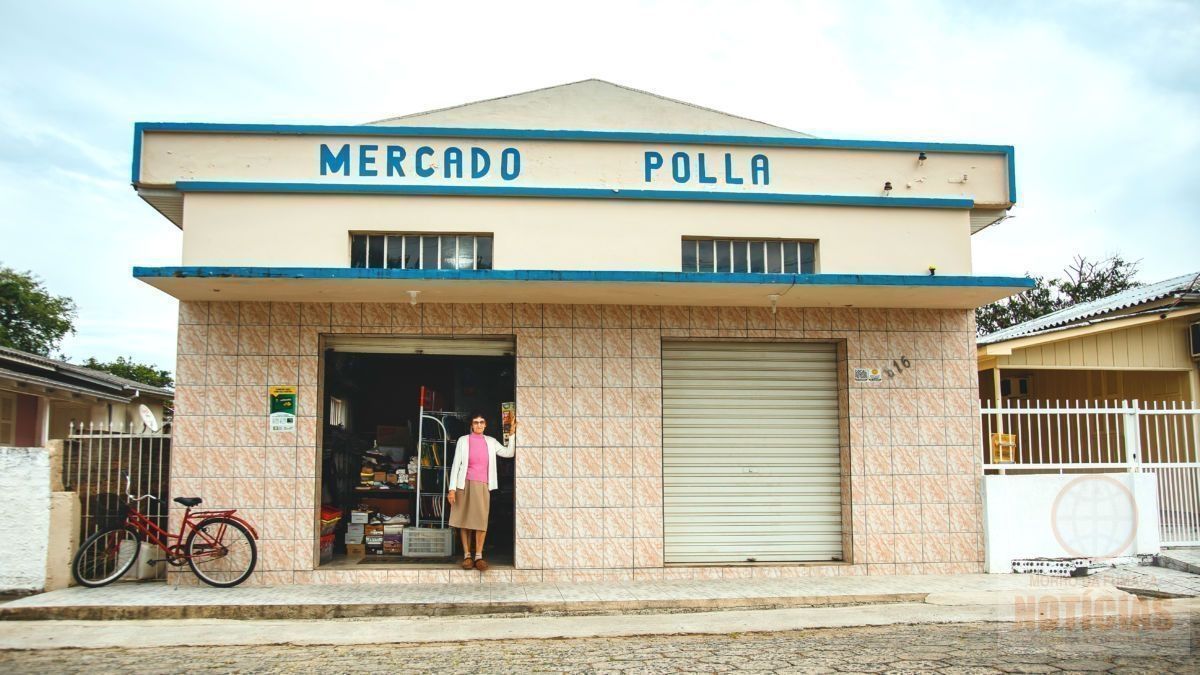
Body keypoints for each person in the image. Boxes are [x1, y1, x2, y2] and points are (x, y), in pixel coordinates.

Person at [446, 411, 516, 572]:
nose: (478, 425)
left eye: (481, 422)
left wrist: (511, 434)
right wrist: (451, 489)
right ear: (471, 425)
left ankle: (478, 556)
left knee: (480, 521)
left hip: (483, 485)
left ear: (485, 424)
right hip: (463, 484)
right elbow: (456, 465)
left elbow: (509, 453)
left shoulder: (490, 441)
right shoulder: (463, 440)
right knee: (464, 520)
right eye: (475, 422)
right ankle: (467, 556)